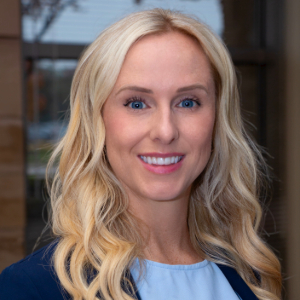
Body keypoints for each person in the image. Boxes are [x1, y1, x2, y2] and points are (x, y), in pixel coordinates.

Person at [0, 8, 281, 300]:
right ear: (98, 120)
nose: (165, 131)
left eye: (188, 102)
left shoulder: (249, 277)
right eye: (136, 103)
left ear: (217, 121)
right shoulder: (33, 288)